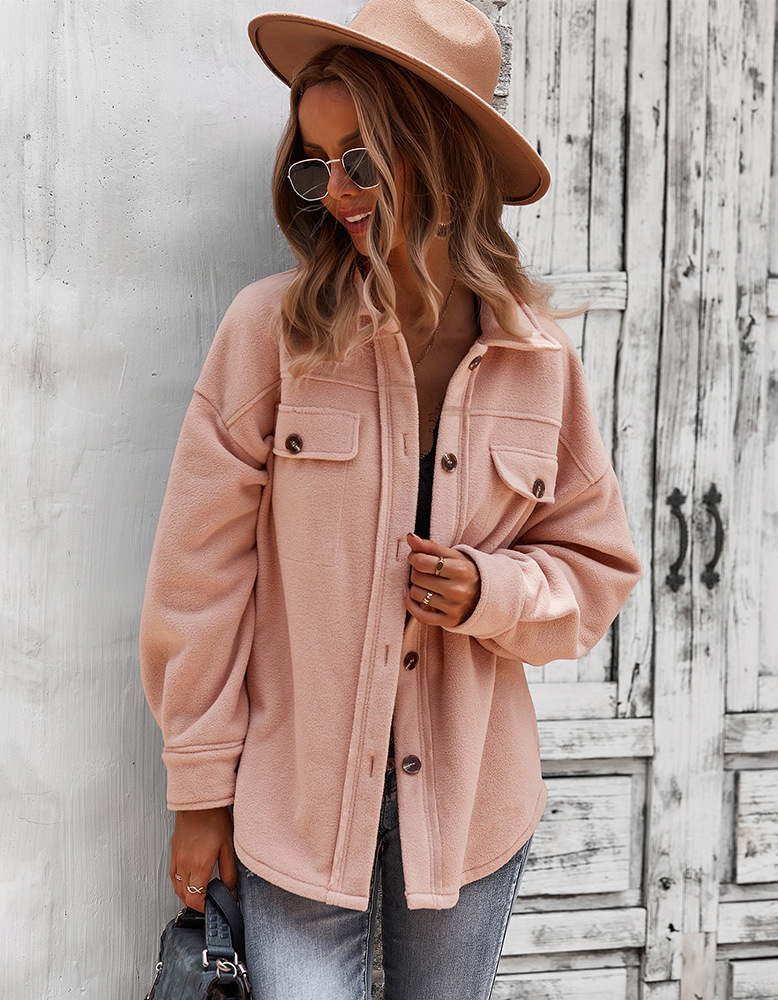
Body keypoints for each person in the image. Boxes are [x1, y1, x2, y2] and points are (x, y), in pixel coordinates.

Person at [138, 1, 642, 997]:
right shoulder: (271, 337)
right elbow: (198, 579)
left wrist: (493, 592)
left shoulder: (539, 362)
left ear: (441, 157)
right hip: (291, 802)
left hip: (470, 808)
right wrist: (198, 790)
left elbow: (596, 568)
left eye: (361, 161)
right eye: (314, 164)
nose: (335, 191)